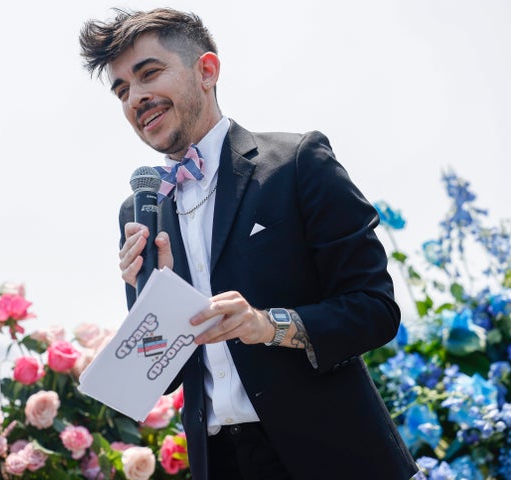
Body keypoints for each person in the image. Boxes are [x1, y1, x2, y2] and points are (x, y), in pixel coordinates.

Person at [79, 8, 418, 480]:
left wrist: (267, 325)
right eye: (122, 91)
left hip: (333, 453)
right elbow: (168, 374)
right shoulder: (139, 210)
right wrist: (153, 292)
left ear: (207, 71)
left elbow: (375, 309)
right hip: (221, 463)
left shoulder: (298, 162)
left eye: (148, 73)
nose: (135, 97)